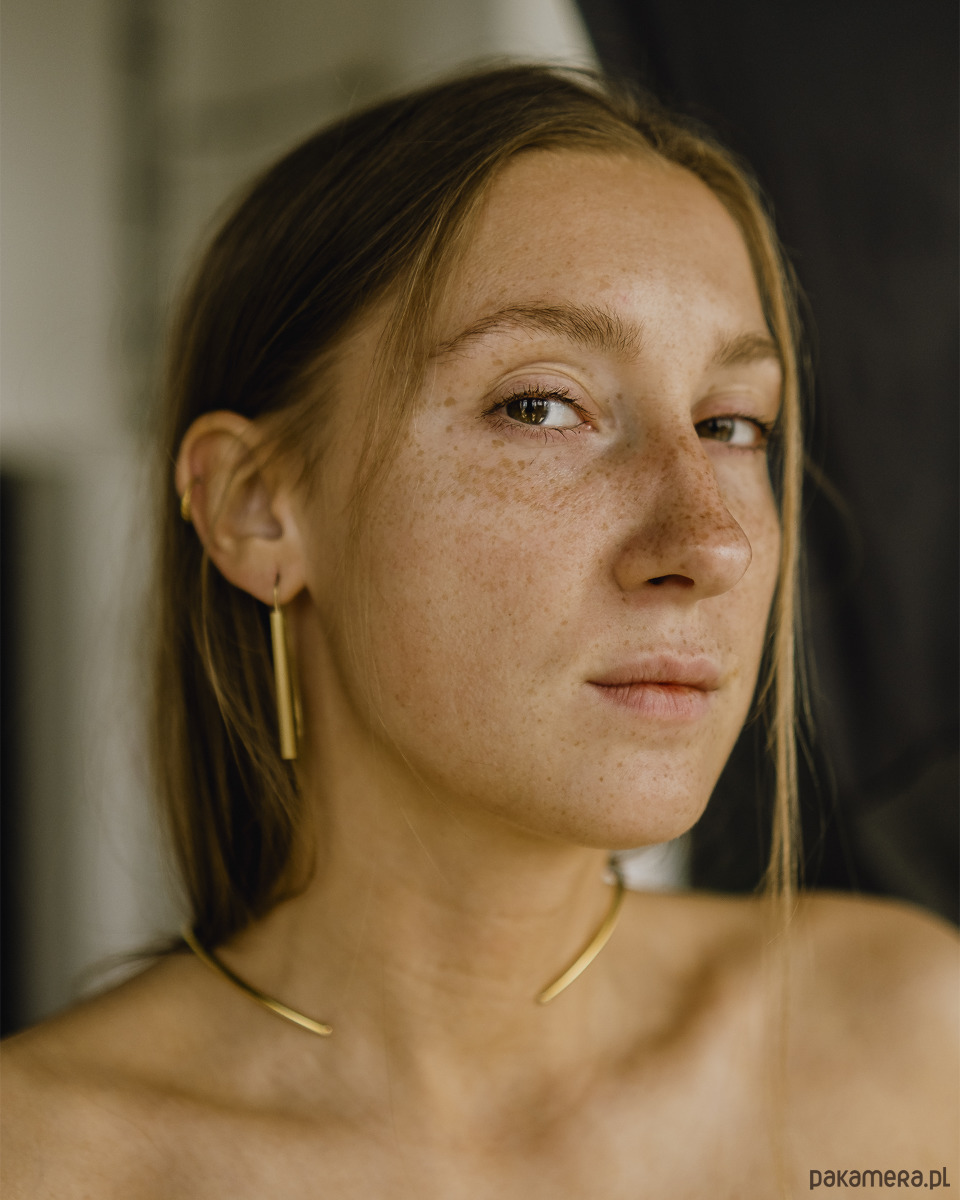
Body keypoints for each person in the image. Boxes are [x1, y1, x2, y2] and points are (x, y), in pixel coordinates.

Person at [2, 65, 956, 1198]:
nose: (710, 543)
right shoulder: (45, 1161)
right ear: (257, 510)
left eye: (731, 423)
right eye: (540, 406)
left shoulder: (907, 1050)